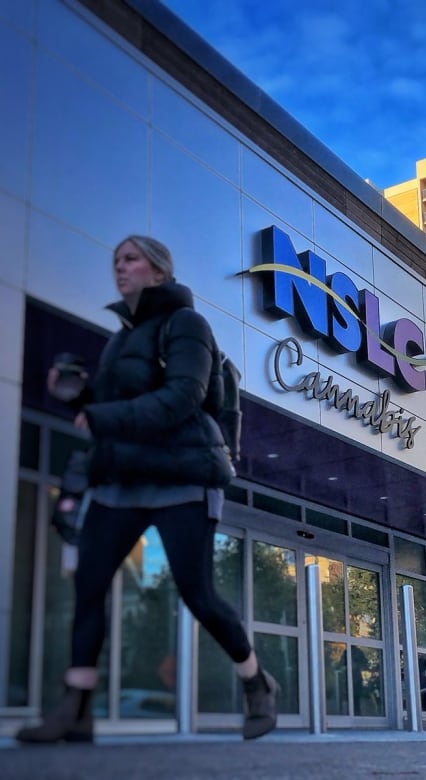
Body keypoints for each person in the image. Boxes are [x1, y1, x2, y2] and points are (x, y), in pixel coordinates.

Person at [16, 236, 279, 744]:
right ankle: (78, 708)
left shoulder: (188, 326)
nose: (120, 268)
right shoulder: (120, 339)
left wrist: (100, 413)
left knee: (197, 591)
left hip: (181, 476)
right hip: (124, 478)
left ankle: (256, 683)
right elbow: (122, 403)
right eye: (116, 261)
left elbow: (183, 397)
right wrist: (79, 390)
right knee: (88, 584)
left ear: (159, 272)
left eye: (131, 259)